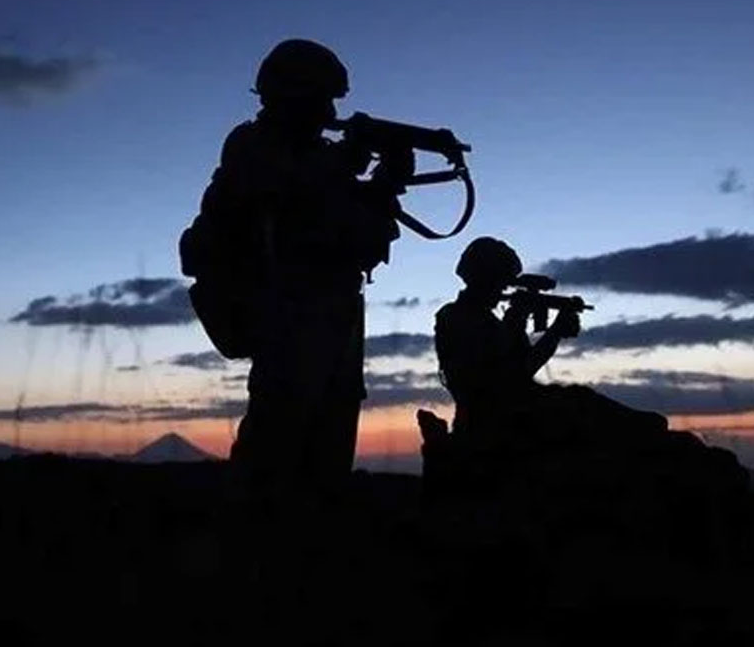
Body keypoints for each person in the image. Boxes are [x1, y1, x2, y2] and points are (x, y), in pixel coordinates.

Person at [185, 39, 410, 496]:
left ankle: (307, 547)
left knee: (327, 451)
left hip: (335, 315)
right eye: (321, 98)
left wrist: (387, 182)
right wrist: (347, 161)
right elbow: (284, 192)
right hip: (287, 314)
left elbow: (359, 232)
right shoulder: (252, 146)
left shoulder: (320, 161)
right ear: (290, 97)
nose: (329, 110)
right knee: (275, 447)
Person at [432, 237, 667, 473]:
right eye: (500, 282)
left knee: (581, 399)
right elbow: (507, 376)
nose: (504, 289)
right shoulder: (455, 316)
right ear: (484, 277)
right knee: (580, 405)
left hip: (511, 409)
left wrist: (548, 330)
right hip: (492, 418)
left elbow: (524, 365)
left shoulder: (487, 320)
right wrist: (530, 325)